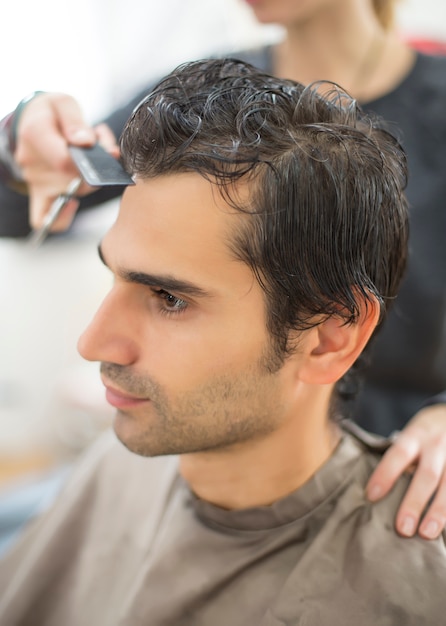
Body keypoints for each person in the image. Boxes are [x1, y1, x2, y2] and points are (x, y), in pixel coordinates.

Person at [2, 57, 445, 626]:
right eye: (116, 276)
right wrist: (23, 131)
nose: (93, 344)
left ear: (330, 339)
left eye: (170, 298)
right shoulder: (123, 461)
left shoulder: (406, 588)